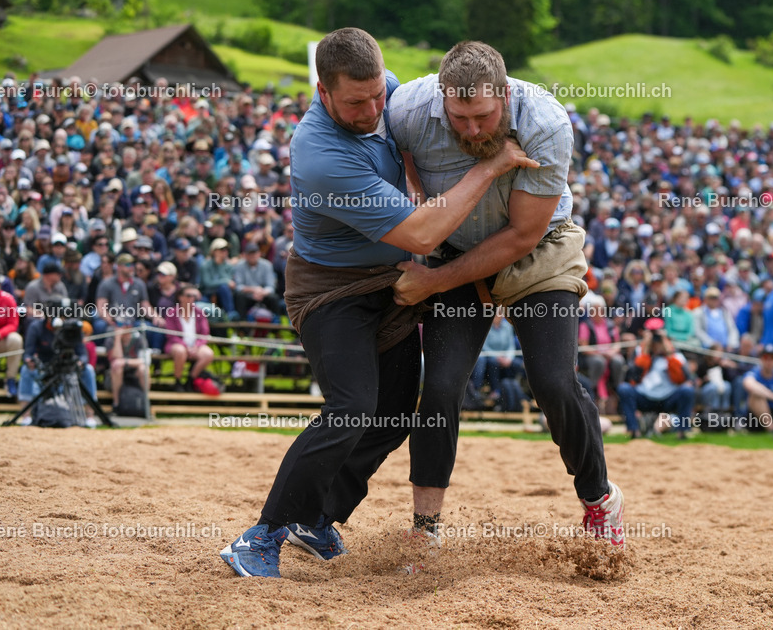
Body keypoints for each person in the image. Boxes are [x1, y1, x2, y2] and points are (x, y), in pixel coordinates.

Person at [220, 28, 536, 579]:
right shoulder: (320, 156)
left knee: (391, 418)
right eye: (354, 102)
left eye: (376, 97)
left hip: (388, 283)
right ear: (322, 92)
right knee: (350, 407)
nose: (371, 110)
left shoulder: (381, 88)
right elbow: (419, 234)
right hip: (330, 291)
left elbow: (407, 149)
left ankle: (316, 517)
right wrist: (490, 167)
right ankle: (261, 535)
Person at [386, 41, 624, 546]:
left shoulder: (547, 124)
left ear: (506, 94)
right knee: (441, 387)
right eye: (460, 117)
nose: (473, 129)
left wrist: (431, 282)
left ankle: (599, 498)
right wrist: (434, 233)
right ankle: (424, 528)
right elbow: (407, 169)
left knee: (553, 382)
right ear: (442, 100)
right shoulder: (407, 109)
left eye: (484, 117)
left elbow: (521, 236)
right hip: (453, 252)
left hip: (538, 252)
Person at [616, 320, 695, 439]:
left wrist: (668, 352)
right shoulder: (639, 352)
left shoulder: (674, 353)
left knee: (687, 390)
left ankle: (682, 432)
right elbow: (633, 378)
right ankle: (634, 431)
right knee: (624, 388)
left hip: (668, 398)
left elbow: (683, 379)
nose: (656, 341)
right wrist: (646, 350)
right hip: (644, 397)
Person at [162, 284, 214, 393]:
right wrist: (186, 347)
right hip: (176, 344)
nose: (192, 298)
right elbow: (171, 335)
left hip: (195, 346)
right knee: (180, 351)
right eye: (189, 295)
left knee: (208, 353)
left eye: (194, 296)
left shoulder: (199, 313)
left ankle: (191, 379)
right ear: (180, 297)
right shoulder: (172, 313)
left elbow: (204, 333)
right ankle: (177, 380)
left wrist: (196, 346)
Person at [742, 344, 773, 432]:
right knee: (756, 395)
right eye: (765, 357)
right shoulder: (754, 373)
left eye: (772, 357)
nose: (769, 361)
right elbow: (748, 384)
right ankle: (772, 430)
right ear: (761, 359)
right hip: (756, 418)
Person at [108, 323, 148, 411]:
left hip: (134, 372)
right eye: (121, 326)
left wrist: (125, 362)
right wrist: (118, 338)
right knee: (117, 367)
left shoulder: (139, 338)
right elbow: (116, 359)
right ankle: (117, 405)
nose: (125, 329)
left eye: (127, 326)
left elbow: (145, 360)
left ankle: (145, 403)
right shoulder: (111, 338)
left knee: (143, 369)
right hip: (113, 375)